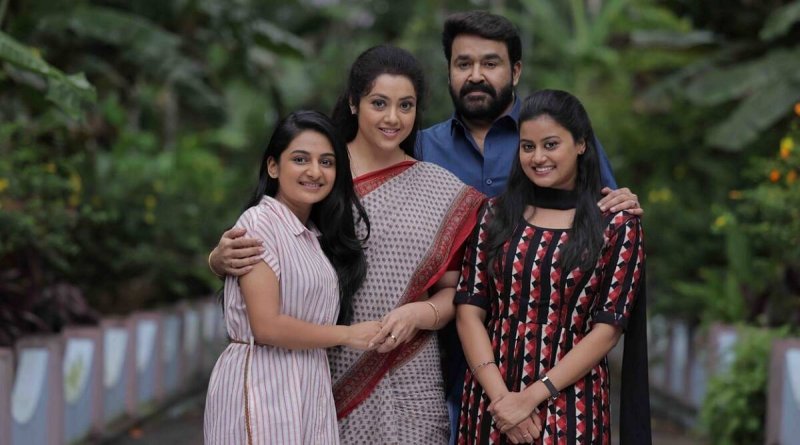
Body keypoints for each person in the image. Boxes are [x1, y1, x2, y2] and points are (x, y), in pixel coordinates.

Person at [414, 11, 644, 442]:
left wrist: (625, 203)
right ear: (449, 71)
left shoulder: (556, 129)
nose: (476, 75)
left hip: (560, 383)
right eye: (463, 63)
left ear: (515, 70)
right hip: (438, 363)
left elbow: (604, 224)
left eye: (490, 63)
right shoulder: (422, 147)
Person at [454, 90, 649, 444]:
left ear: (581, 144)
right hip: (492, 399)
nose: (538, 157)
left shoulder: (616, 224)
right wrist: (502, 401)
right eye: (528, 147)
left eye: (551, 144)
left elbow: (608, 328)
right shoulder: (494, 215)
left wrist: (530, 398)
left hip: (572, 402)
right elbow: (469, 309)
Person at [326, 45, 484, 444]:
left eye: (406, 106)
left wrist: (419, 313)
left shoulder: (439, 189)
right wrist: (219, 258)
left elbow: (456, 290)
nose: (393, 118)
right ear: (354, 103)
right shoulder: (320, 174)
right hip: (320, 369)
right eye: (379, 103)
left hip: (412, 368)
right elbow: (271, 246)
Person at [203, 110, 382, 445]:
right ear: (273, 167)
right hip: (264, 386)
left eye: (326, 162)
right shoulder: (260, 224)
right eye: (300, 159)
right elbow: (266, 326)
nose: (315, 171)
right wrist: (347, 334)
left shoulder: (313, 235)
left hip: (308, 385)